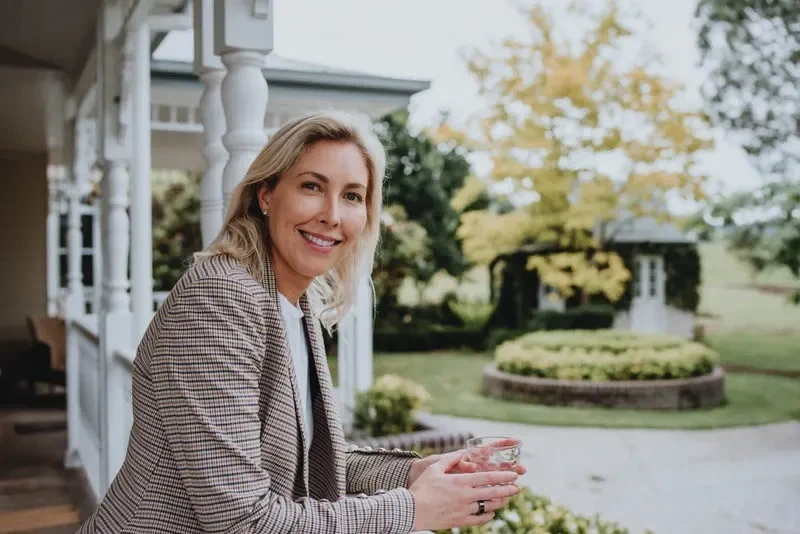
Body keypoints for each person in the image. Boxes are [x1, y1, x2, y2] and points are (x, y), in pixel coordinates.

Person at [76, 111, 524, 533]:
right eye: (312, 186)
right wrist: (413, 509)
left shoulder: (294, 304)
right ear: (266, 195)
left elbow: (307, 458)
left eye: (352, 196)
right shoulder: (219, 298)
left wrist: (415, 473)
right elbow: (243, 521)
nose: (332, 214)